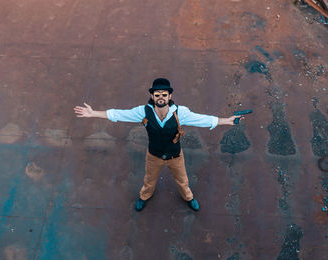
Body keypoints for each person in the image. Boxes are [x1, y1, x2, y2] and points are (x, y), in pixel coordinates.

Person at [74, 78, 242, 212]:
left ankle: (188, 197)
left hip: (175, 156)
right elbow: (119, 114)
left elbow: (203, 119)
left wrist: (227, 120)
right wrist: (93, 113)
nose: (160, 97)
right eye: (157, 94)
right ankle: (145, 196)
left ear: (169, 96)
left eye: (164, 94)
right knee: (149, 180)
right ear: (153, 97)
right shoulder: (143, 111)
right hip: (153, 155)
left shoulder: (180, 112)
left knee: (182, 180)